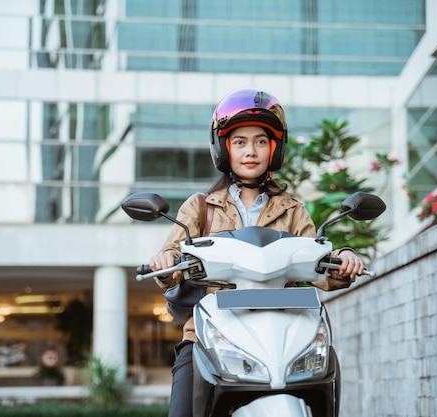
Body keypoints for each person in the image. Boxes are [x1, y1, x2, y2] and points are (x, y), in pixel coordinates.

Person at [149, 88, 364, 417]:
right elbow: (170, 258)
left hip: (284, 334)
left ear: (274, 148)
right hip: (211, 334)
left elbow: (320, 256)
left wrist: (345, 258)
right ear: (224, 148)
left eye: (261, 141)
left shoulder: (292, 208)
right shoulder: (200, 207)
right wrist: (166, 263)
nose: (251, 151)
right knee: (182, 410)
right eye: (240, 142)